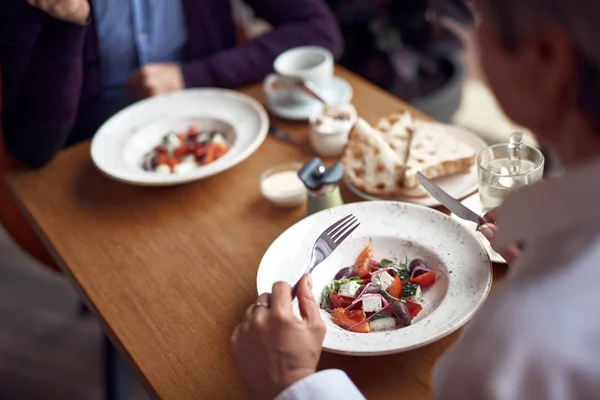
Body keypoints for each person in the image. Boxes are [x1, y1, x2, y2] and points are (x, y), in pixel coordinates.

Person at [230, 0, 600, 398]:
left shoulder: (513, 351)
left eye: (482, 20)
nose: (472, 39)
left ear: (548, 58)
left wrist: (295, 381)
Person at [0, 0, 341, 168]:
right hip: (92, 167)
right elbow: (31, 147)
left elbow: (319, 30)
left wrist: (192, 76)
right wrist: (68, 22)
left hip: (216, 142)